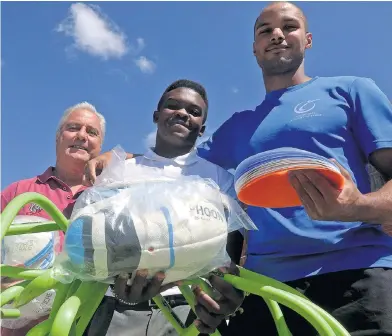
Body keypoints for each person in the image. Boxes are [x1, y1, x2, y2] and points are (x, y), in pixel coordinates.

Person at [86, 2, 392, 335]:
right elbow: (176, 164)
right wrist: (122, 159)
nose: (277, 34)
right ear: (255, 49)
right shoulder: (235, 128)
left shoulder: (351, 91)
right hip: (263, 290)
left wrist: (358, 206)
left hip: (357, 275)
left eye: (289, 27)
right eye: (265, 30)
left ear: (308, 39)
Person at [84, 79, 244, 336]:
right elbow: (92, 242)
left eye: (194, 111)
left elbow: (228, 256)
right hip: (113, 306)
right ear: (156, 116)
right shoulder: (118, 171)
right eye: (173, 106)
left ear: (201, 128)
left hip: (188, 307)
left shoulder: (219, 180)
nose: (182, 113)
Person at [1, 102, 106, 335]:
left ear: (101, 146)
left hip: (89, 322)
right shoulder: (17, 192)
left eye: (92, 132)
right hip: (19, 324)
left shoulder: (110, 198)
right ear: (58, 137)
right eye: (73, 128)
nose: (82, 136)